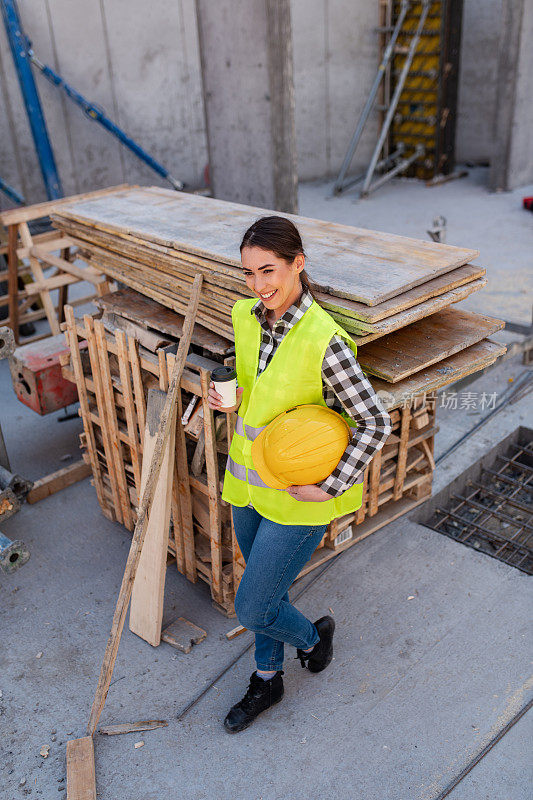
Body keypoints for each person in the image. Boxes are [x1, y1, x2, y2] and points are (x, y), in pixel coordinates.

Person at [208, 216, 391, 733]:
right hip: (247, 484)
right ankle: (268, 677)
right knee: (269, 596)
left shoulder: (324, 340)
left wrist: (331, 487)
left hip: (300, 501)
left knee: (254, 606)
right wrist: (233, 398)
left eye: (269, 270)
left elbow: (376, 422)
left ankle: (313, 638)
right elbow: (259, 391)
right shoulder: (247, 317)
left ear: (298, 264)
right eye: (249, 273)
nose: (259, 285)